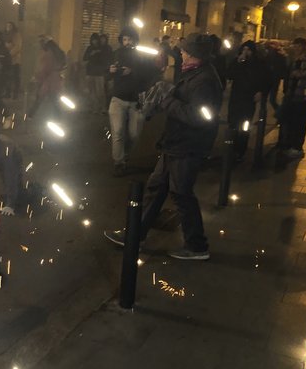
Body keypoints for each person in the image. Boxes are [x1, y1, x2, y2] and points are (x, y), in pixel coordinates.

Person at [104, 33, 223, 260]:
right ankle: (135, 235)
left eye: (184, 51)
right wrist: (165, 92)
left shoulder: (205, 81)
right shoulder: (194, 73)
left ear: (194, 55)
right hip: (176, 143)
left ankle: (197, 246)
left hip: (188, 146)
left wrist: (167, 100)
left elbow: (199, 116)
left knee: (182, 194)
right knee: (156, 187)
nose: (181, 54)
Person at [108, 26, 161, 176]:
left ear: (135, 40)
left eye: (130, 39)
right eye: (124, 39)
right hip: (117, 98)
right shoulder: (116, 53)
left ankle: (125, 155)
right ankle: (119, 163)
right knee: (118, 132)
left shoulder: (142, 56)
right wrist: (110, 71)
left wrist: (132, 72)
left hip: (136, 101)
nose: (127, 42)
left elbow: (151, 75)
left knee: (134, 134)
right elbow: (107, 74)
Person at [226, 41, 272, 161]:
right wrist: (237, 62)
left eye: (248, 50)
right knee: (233, 123)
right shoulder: (238, 62)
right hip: (236, 97)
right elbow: (229, 74)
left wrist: (261, 91)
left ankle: (240, 150)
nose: (246, 52)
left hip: (248, 98)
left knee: (244, 124)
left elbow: (267, 79)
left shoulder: (259, 65)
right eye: (244, 49)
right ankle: (230, 148)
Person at [279, 38, 306, 159]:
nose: (296, 48)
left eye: (299, 46)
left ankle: (297, 148)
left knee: (300, 124)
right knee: (290, 122)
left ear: (304, 46)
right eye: (295, 46)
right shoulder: (293, 60)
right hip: (292, 95)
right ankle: (289, 145)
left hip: (305, 97)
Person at [29, 36, 64, 120]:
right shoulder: (57, 52)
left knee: (40, 97)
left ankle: (30, 115)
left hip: (49, 80)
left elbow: (45, 68)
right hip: (56, 79)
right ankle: (58, 116)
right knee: (54, 98)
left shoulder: (48, 54)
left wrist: (36, 77)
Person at [84, 33, 111, 113]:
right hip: (90, 72)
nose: (94, 41)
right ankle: (94, 108)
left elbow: (105, 60)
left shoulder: (102, 48)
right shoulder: (89, 48)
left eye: (96, 40)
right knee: (91, 91)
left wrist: (98, 53)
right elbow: (85, 58)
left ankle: (103, 108)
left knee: (100, 92)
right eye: (93, 40)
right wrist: (91, 54)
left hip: (99, 73)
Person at [3, 22, 23, 99]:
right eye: (7, 26)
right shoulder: (5, 35)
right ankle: (7, 93)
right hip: (7, 60)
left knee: (15, 77)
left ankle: (15, 94)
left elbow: (17, 46)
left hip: (15, 60)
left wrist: (9, 54)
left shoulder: (16, 35)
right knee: (8, 77)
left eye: (10, 26)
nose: (8, 27)